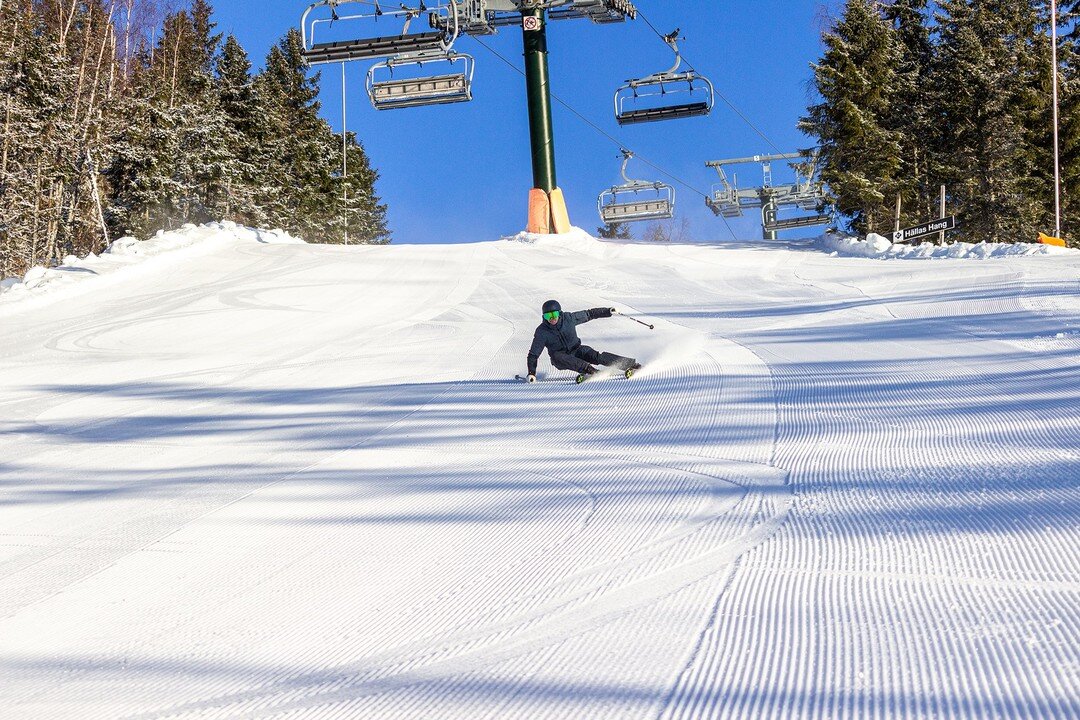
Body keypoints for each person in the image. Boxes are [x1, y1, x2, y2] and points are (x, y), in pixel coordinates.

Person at [526, 299, 640, 382]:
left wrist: (608, 311)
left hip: (577, 349)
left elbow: (589, 314)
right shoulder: (542, 331)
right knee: (557, 356)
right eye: (548, 316)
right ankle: (590, 370)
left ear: (559, 313)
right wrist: (532, 373)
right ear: (543, 317)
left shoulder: (569, 318)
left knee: (596, 356)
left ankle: (632, 365)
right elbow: (533, 355)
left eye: (554, 314)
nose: (552, 318)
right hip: (560, 358)